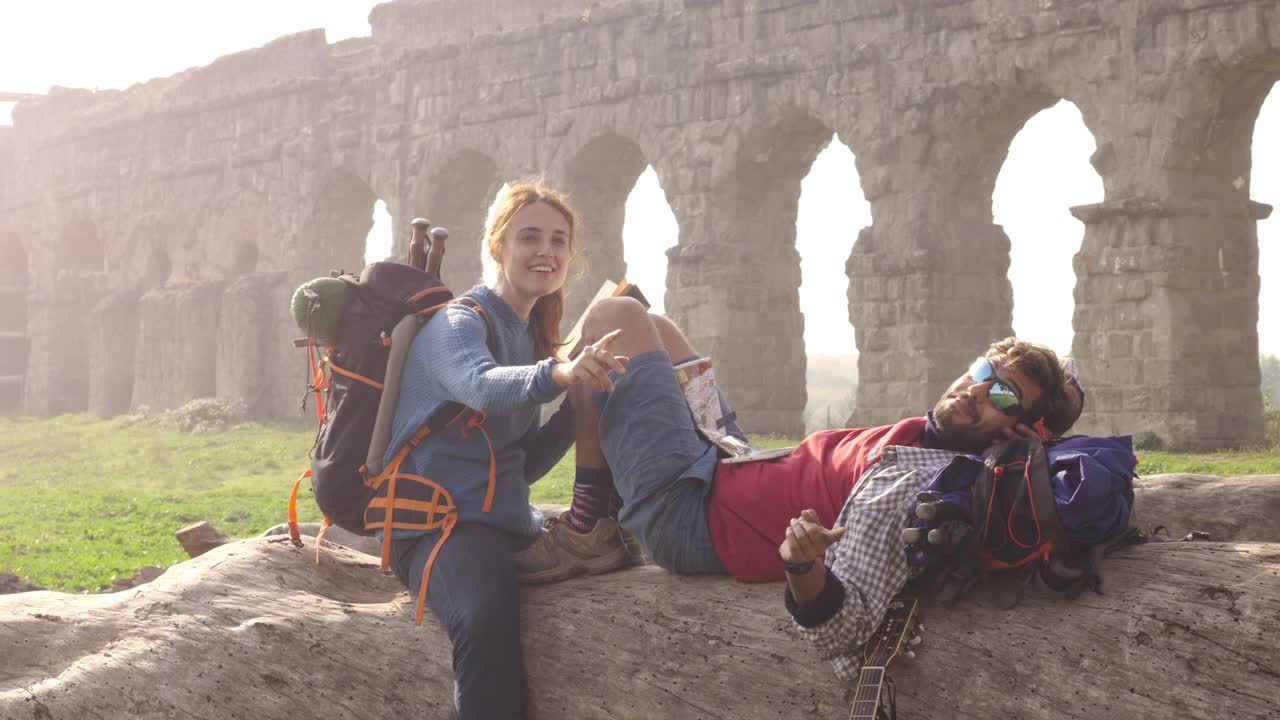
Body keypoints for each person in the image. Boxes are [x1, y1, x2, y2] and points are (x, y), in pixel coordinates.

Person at [515, 297, 1085, 677]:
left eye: (1003, 395)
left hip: (689, 512)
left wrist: (802, 566)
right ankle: (607, 498)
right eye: (983, 371)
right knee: (653, 326)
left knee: (613, 318)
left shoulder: (914, 481)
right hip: (727, 455)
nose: (976, 390)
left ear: (1019, 429)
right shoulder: (933, 436)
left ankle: (591, 522)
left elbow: (845, 626)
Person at [379, 181, 634, 719]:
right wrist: (562, 372)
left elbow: (522, 462)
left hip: (495, 519)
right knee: (485, 622)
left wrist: (583, 396)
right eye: (531, 237)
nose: (547, 251)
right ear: (497, 246)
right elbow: (483, 386)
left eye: (559, 241)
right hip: (438, 524)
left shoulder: (526, 331)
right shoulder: (459, 322)